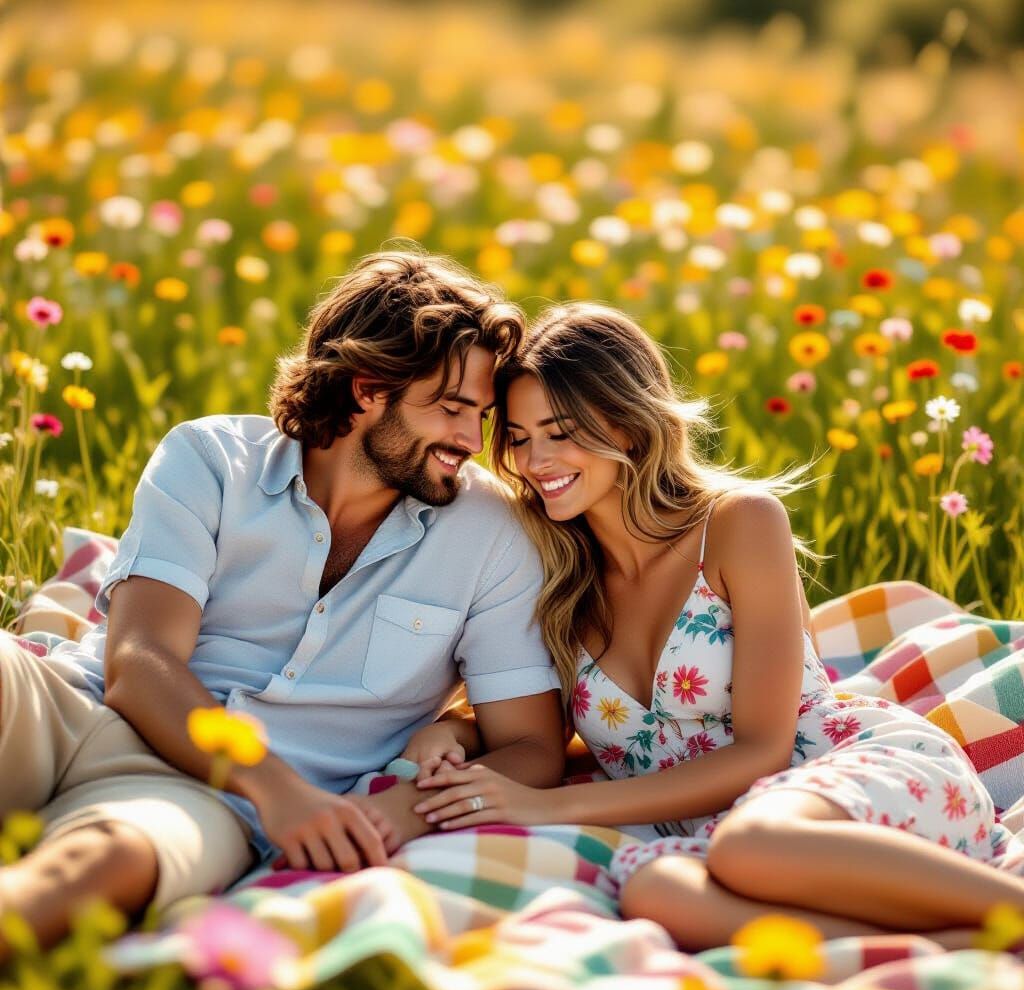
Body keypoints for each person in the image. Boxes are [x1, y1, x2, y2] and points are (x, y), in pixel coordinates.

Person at [410, 301, 1024, 951]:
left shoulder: (738, 524)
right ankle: (967, 945)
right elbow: (545, 731)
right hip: (715, 832)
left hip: (834, 784)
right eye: (519, 437)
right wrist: (454, 731)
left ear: (626, 424)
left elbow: (764, 749)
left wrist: (548, 808)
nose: (537, 460)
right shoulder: (559, 582)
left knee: (754, 844)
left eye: (561, 432)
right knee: (657, 892)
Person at [0, 251, 565, 953]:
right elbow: (138, 662)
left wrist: (392, 812)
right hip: (72, 707)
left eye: (481, 415)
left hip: (209, 801)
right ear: (367, 390)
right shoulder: (212, 457)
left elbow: (532, 747)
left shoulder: (493, 535)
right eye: (451, 409)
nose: (469, 442)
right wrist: (278, 788)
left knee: (98, 866)